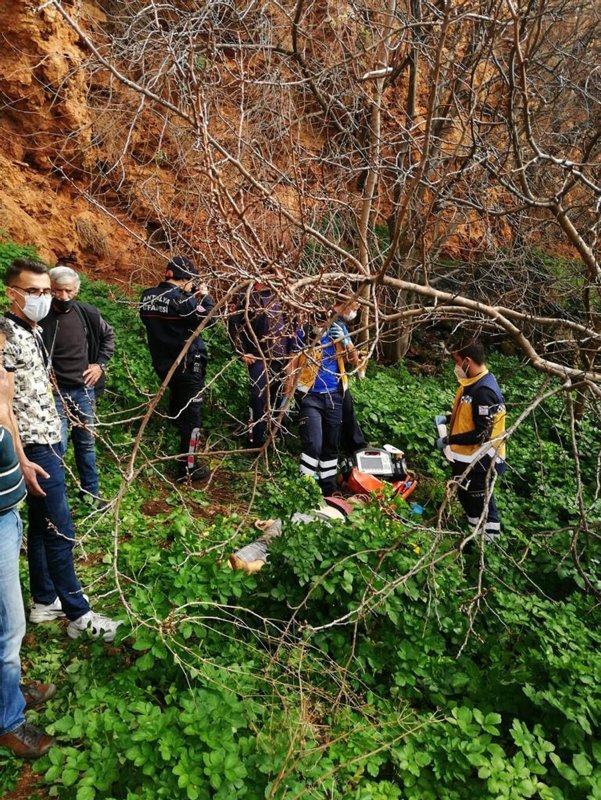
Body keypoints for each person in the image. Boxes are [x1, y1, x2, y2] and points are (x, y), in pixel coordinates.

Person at [3, 258, 120, 641]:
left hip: (49, 439)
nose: (43, 298)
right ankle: (78, 614)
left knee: (41, 526)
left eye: (44, 291)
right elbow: (1, 406)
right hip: (33, 447)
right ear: (12, 292)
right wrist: (20, 458)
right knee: (60, 527)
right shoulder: (5, 336)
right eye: (33, 291)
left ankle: (43, 600)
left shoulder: (32, 329)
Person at [0, 317, 56, 759]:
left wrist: (20, 461)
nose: (4, 368)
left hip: (8, 510)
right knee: (10, 624)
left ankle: (10, 689)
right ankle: (9, 720)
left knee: (7, 618)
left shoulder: (0, 383)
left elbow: (6, 420)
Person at [39, 266, 115, 510]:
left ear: (77, 289)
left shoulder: (87, 314)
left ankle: (90, 493)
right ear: (49, 289)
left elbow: (108, 337)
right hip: (54, 393)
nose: (63, 296)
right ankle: (56, 499)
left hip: (84, 390)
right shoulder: (40, 317)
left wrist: (99, 365)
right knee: (57, 445)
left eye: (68, 291)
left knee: (86, 443)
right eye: (57, 291)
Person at [140, 256, 215, 481]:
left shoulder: (147, 296)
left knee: (178, 405)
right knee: (192, 416)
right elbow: (208, 319)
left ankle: (173, 440)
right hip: (187, 364)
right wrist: (206, 298)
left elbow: (171, 317)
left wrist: (191, 297)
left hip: (163, 365)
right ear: (186, 279)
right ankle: (188, 467)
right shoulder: (183, 301)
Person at [286, 295, 364, 495]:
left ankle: (328, 489)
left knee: (331, 444)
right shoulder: (305, 330)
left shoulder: (339, 329)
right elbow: (292, 362)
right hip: (309, 396)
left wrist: (345, 342)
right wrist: (287, 394)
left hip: (335, 395)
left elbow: (354, 361)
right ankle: (305, 488)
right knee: (313, 443)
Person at [436, 340, 507, 543]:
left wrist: (448, 440)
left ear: (467, 361)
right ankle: (472, 536)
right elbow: (471, 414)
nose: (456, 367)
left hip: (482, 462)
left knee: (481, 502)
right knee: (466, 497)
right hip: (468, 459)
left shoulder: (484, 391)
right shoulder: (471, 383)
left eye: (457, 361)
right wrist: (449, 419)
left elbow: (481, 434)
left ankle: (488, 544)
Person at [227, 276, 297, 447]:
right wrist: (241, 351)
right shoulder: (248, 295)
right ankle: (256, 441)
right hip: (259, 356)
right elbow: (234, 324)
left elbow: (293, 326)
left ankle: (276, 439)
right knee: (258, 398)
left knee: (279, 398)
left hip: (281, 358)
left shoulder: (284, 296)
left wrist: (291, 357)